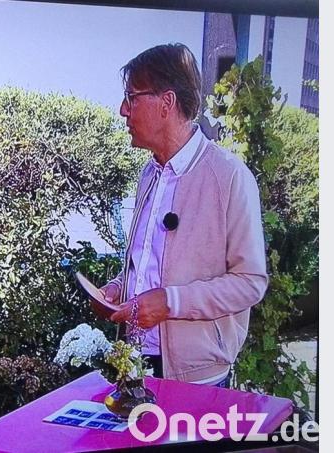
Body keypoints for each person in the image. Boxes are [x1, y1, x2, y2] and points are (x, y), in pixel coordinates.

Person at [96, 44, 267, 387]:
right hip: (135, 364)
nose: (122, 111)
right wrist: (118, 288)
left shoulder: (230, 176)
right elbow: (151, 260)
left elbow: (251, 282)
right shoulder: (150, 173)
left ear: (167, 102)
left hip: (197, 378)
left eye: (132, 97)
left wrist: (171, 302)